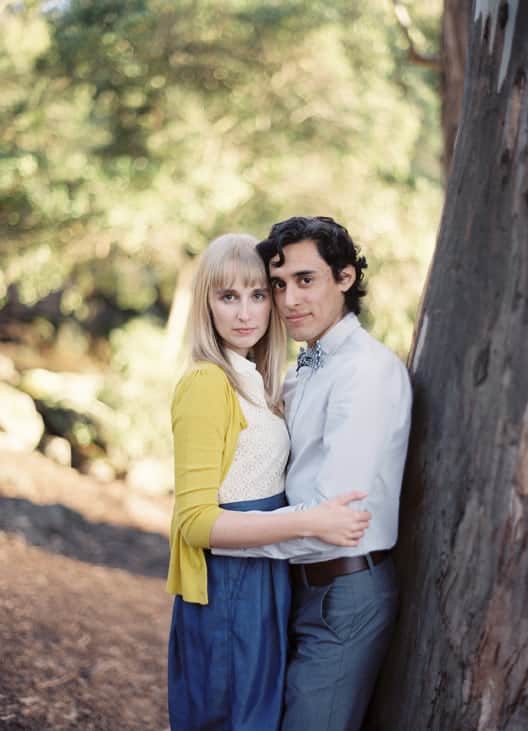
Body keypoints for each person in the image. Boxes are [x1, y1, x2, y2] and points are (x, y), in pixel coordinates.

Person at [213, 217, 413, 730]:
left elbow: (332, 513)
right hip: (297, 586)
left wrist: (225, 538)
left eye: (306, 280)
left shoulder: (365, 372)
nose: (288, 300)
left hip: (343, 592)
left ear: (344, 278)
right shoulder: (305, 367)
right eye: (278, 285)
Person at [166, 232, 372, 731]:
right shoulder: (206, 383)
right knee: (231, 718)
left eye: (258, 295)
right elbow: (194, 522)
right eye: (228, 296)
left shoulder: (257, 381)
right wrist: (308, 521)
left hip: (266, 579)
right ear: (206, 305)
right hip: (228, 585)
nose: (245, 313)